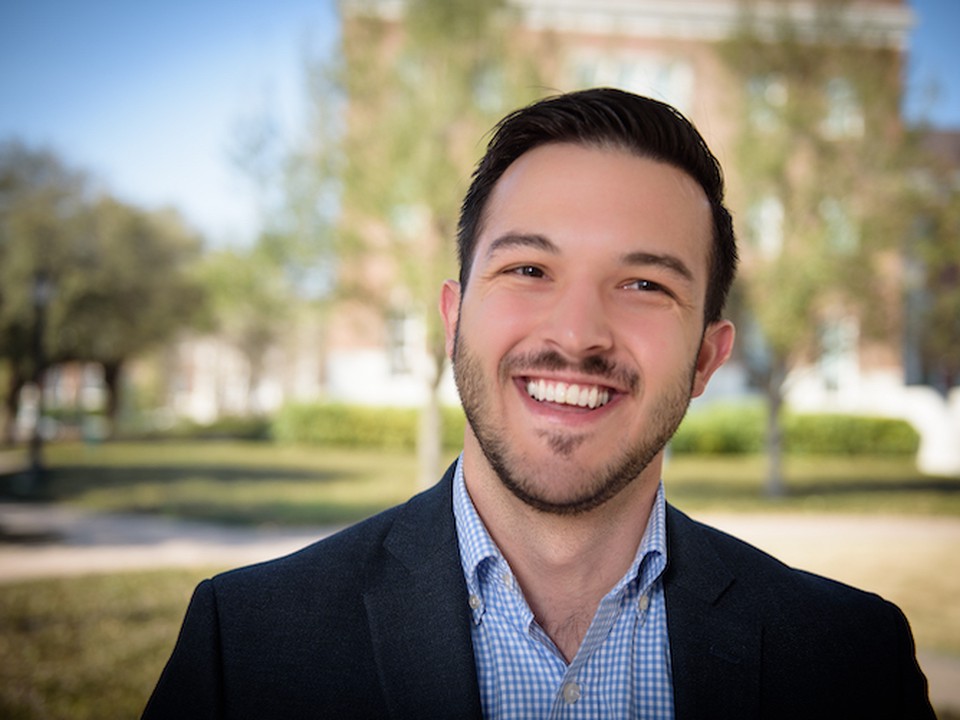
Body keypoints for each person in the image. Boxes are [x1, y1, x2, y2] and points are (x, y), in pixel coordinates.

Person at [143, 88, 934, 720]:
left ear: (705, 357)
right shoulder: (244, 649)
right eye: (528, 269)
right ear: (454, 320)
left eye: (644, 285)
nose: (578, 334)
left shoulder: (852, 663)